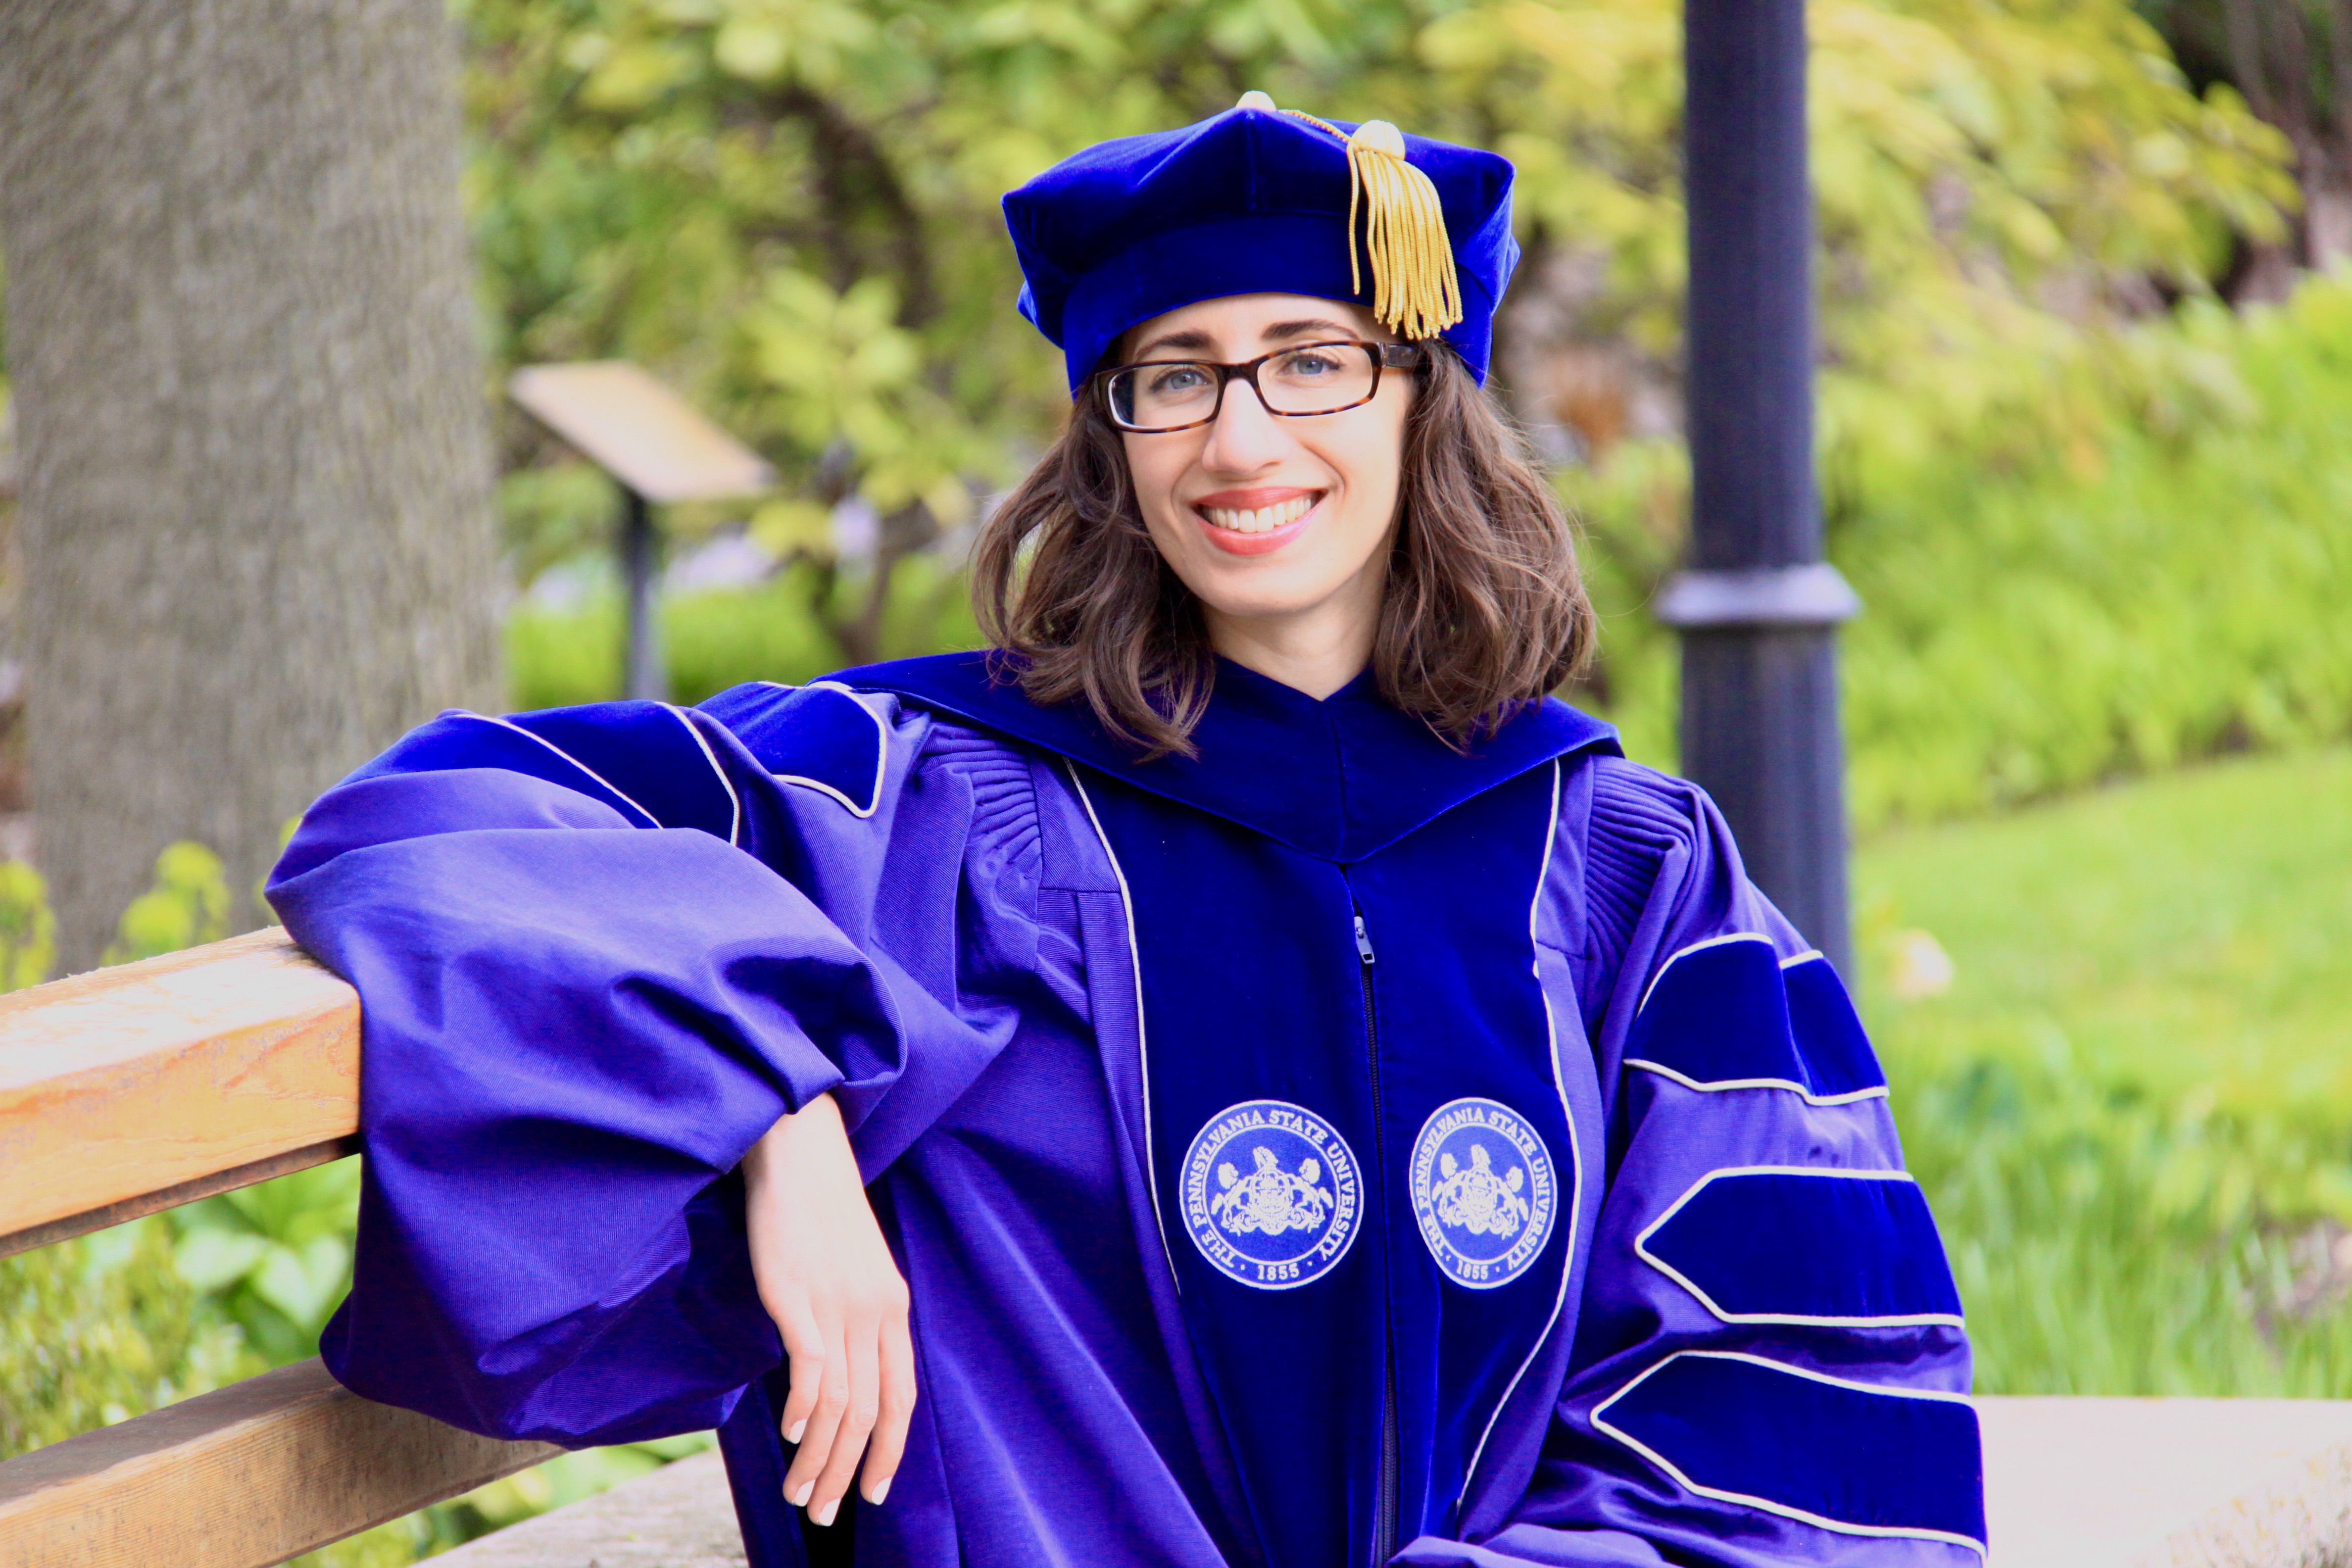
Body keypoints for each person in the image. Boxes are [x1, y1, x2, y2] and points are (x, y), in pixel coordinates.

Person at [269, 95, 1984, 1568]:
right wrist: (776, 1110)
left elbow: (1775, 1384)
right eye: (1174, 376)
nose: (1242, 438)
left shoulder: (1618, 869)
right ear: (1112, 439)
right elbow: (436, 823)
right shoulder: (927, 803)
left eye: (1314, 361)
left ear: (1420, 398)